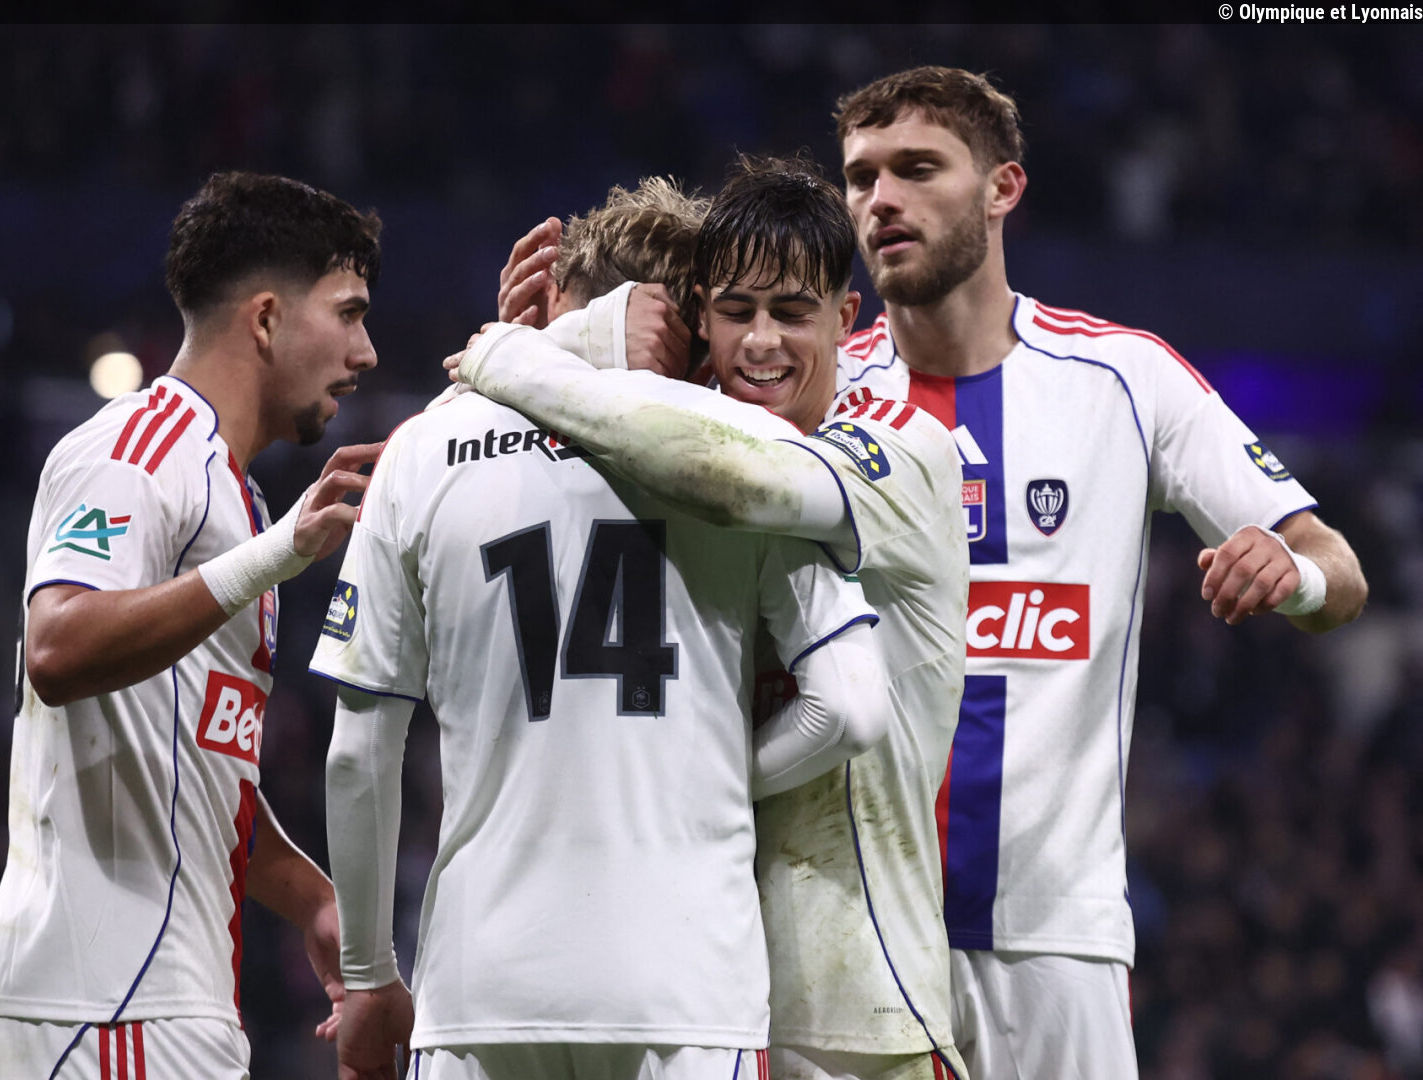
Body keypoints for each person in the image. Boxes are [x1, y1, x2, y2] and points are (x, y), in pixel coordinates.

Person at [820, 67, 1366, 1078]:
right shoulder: (816, 393)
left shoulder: (1124, 377)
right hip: (849, 933)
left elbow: (1340, 574)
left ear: (1003, 188)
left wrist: (1287, 571)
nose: (881, 199)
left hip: (1055, 939)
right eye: (861, 177)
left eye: (918, 169)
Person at [314, 177, 891, 1080]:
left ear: (559, 303)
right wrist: (709, 777)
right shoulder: (744, 447)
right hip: (686, 988)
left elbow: (358, 755)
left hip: (479, 989)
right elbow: (849, 711)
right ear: (687, 325)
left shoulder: (423, 447)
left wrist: (366, 976)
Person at [459, 156, 971, 1080]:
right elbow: (466, 475)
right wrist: (567, 344)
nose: (762, 342)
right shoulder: (683, 448)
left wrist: (515, 360)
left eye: (792, 313)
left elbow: (740, 477)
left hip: (862, 1012)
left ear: (846, 318)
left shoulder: (900, 448)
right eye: (737, 311)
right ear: (702, 317)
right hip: (708, 1001)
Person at [0, 171, 385, 1080]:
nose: (367, 351)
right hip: (104, 989)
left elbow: (190, 767)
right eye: (349, 314)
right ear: (266, 319)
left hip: (158, 991)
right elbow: (57, 647)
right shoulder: (138, 448)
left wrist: (313, 899)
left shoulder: (237, 499)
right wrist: (274, 556)